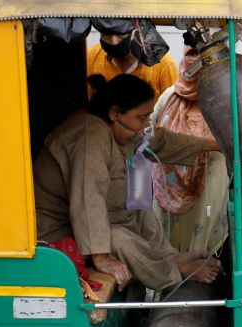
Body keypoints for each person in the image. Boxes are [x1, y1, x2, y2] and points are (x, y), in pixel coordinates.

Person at [34, 74, 220, 292]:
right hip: (54, 234)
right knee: (120, 239)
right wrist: (101, 257)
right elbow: (88, 197)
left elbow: (159, 141)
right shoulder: (90, 134)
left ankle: (169, 257)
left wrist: (216, 144)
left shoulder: (118, 126)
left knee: (141, 207)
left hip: (82, 225)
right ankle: (173, 273)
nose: (146, 125)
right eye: (142, 118)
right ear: (114, 113)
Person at [150, 46, 229, 254]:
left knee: (203, 231)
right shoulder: (168, 97)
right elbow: (148, 138)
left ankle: (199, 268)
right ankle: (168, 273)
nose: (196, 61)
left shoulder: (226, 99)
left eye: (203, 55)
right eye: (191, 53)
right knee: (165, 243)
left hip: (210, 185)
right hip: (167, 188)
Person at [87, 33, 178, 103]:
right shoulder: (91, 56)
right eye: (106, 34)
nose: (113, 41)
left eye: (120, 34)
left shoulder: (164, 64)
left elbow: (170, 112)